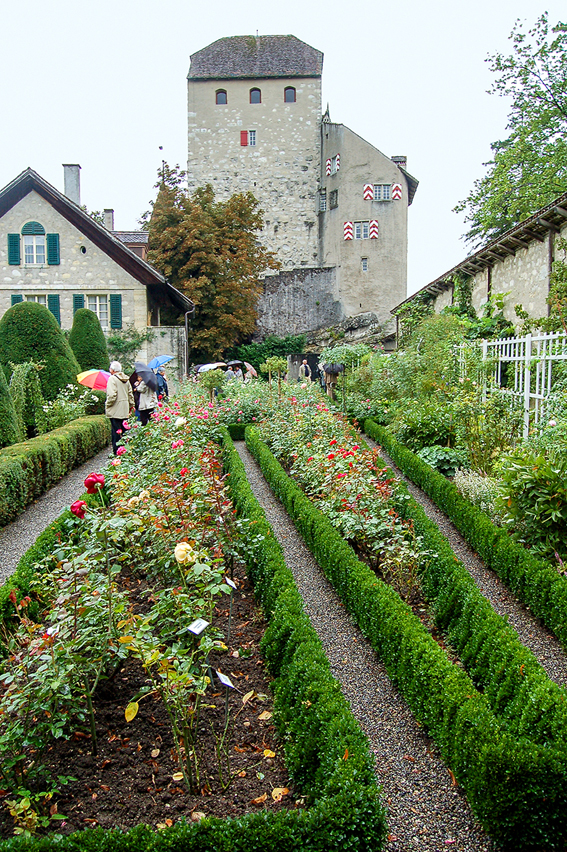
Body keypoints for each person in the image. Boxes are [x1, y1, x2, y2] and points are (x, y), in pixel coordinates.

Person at [105, 361, 134, 455]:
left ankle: (116, 452)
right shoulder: (126, 379)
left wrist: (107, 404)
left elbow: (112, 395)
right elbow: (130, 395)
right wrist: (130, 406)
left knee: (116, 432)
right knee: (124, 431)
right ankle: (125, 450)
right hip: (124, 408)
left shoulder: (112, 379)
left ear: (112, 370)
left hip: (115, 409)